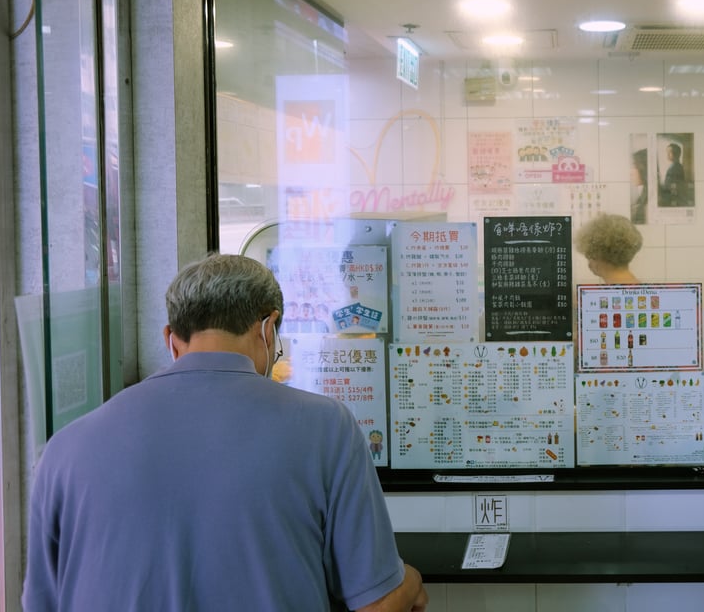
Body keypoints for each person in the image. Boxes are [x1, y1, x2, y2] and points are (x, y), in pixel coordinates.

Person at [22, 253, 428, 612]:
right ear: (268, 328)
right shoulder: (327, 427)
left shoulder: (65, 450)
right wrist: (409, 581)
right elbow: (378, 605)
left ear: (171, 339)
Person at [573, 213, 642, 283]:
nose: (589, 262)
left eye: (589, 254)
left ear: (598, 254)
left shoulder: (605, 292)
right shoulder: (642, 290)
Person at [659, 141, 686, 207]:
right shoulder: (674, 166)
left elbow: (673, 188)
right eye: (667, 152)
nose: (667, 154)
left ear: (676, 154)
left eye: (669, 152)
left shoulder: (676, 168)